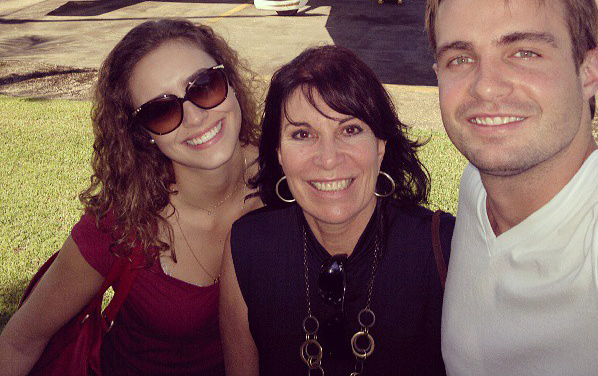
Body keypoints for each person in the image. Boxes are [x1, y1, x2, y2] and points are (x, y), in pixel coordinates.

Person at [0, 19, 262, 375]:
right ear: (142, 134)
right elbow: (20, 340)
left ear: (229, 81)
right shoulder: (123, 222)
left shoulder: (289, 180)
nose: (195, 117)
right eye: (161, 110)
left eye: (204, 85)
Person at [425, 0, 598, 375]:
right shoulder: (476, 186)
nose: (486, 87)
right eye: (460, 58)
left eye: (524, 52)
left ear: (588, 71)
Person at [220, 45, 454, 375]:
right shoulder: (247, 249)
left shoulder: (444, 248)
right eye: (302, 134)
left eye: (350, 130)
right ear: (280, 154)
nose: (328, 159)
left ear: (380, 147)